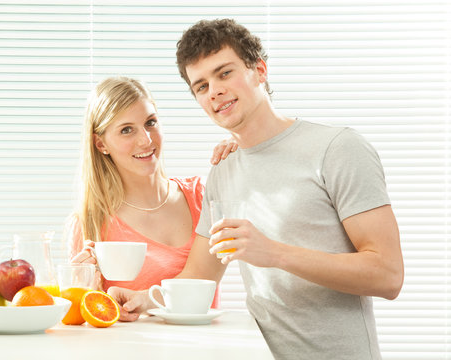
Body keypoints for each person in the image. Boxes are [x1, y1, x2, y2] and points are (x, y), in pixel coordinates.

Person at [107, 19, 404, 359]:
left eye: (224, 73)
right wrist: (145, 298)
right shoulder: (223, 170)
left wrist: (275, 253)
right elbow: (200, 274)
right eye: (200, 86)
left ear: (259, 70)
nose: (214, 91)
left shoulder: (338, 148)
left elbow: (388, 274)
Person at [66, 76, 236, 320]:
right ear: (101, 143)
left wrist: (244, 152)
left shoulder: (201, 197)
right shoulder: (89, 223)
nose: (146, 140)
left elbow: (203, 277)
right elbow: (84, 322)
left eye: (150, 122)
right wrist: (83, 293)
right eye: (126, 130)